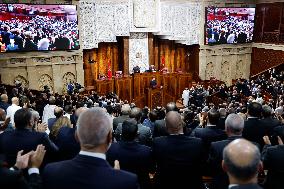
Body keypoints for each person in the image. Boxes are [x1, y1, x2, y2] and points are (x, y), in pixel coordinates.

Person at [43, 108, 139, 189]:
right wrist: (117, 178)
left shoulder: (51, 172)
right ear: (110, 138)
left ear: (77, 136)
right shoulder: (127, 181)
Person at [153, 111, 204, 189]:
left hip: (164, 184)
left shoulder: (157, 143)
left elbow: (153, 166)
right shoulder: (197, 143)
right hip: (191, 184)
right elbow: (201, 165)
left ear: (165, 126)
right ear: (182, 123)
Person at [107, 119, 154, 189]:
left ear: (121, 133)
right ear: (137, 134)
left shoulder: (111, 149)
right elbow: (151, 170)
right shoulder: (146, 151)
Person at [208, 113, 245, 189]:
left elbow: (210, 168)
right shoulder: (254, 146)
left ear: (226, 128)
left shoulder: (216, 146)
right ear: (242, 128)